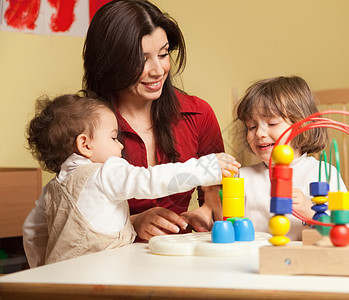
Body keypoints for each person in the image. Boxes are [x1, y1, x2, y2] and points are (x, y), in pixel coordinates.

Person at [23, 0, 226, 249]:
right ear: (111, 63)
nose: (158, 70)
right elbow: (73, 211)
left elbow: (217, 196)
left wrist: (205, 213)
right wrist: (132, 222)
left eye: (163, 54)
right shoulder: (84, 126)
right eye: (141, 60)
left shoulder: (198, 114)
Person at [24, 93, 239, 265]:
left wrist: (42, 268)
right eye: (113, 137)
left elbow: (32, 232)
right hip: (99, 279)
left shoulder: (53, 188)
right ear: (85, 144)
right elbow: (152, 180)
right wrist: (206, 168)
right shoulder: (106, 173)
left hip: (58, 280)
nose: (121, 145)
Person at [235, 76, 346, 241]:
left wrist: (310, 210)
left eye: (272, 123)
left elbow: (343, 230)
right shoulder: (242, 177)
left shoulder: (324, 174)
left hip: (302, 260)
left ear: (302, 125)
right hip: (253, 260)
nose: (259, 133)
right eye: (252, 126)